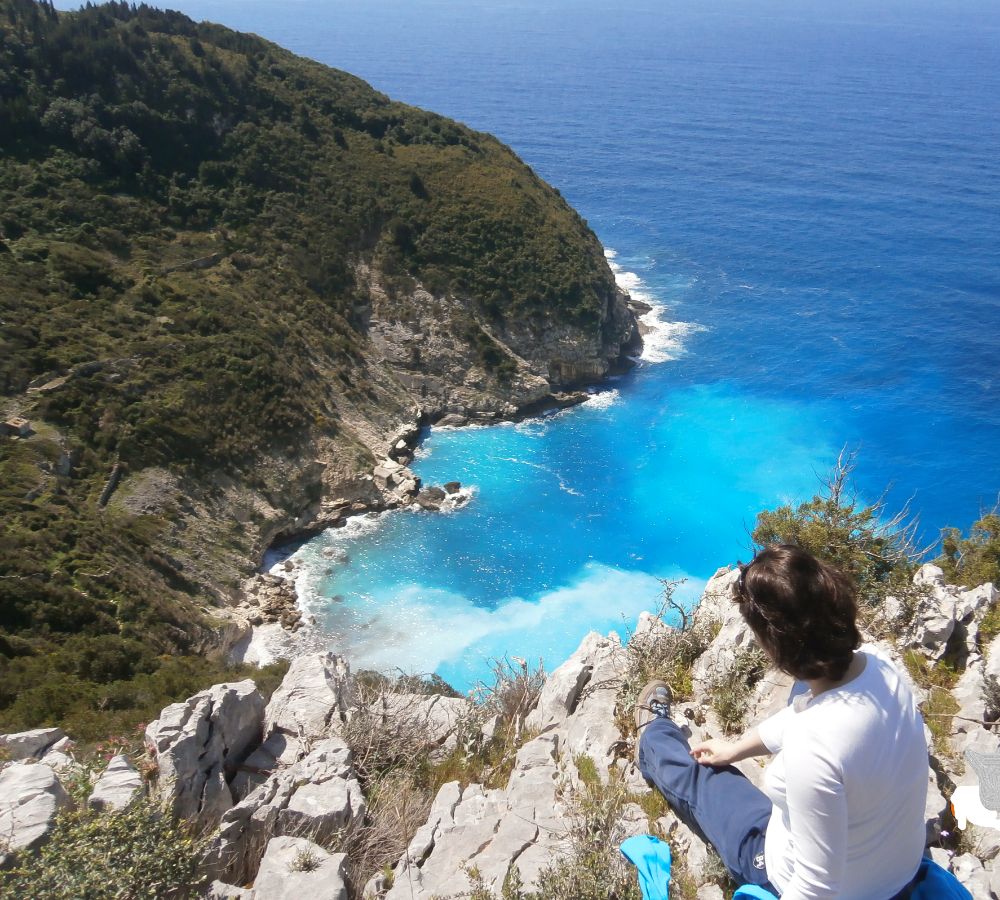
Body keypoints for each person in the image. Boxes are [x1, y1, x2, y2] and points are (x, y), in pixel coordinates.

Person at [635, 544, 928, 900]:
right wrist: (737, 749)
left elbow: (814, 888)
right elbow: (812, 715)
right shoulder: (880, 666)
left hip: (783, 872)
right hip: (896, 876)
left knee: (702, 780)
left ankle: (653, 737)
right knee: (724, 764)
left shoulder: (813, 748)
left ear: (774, 644)